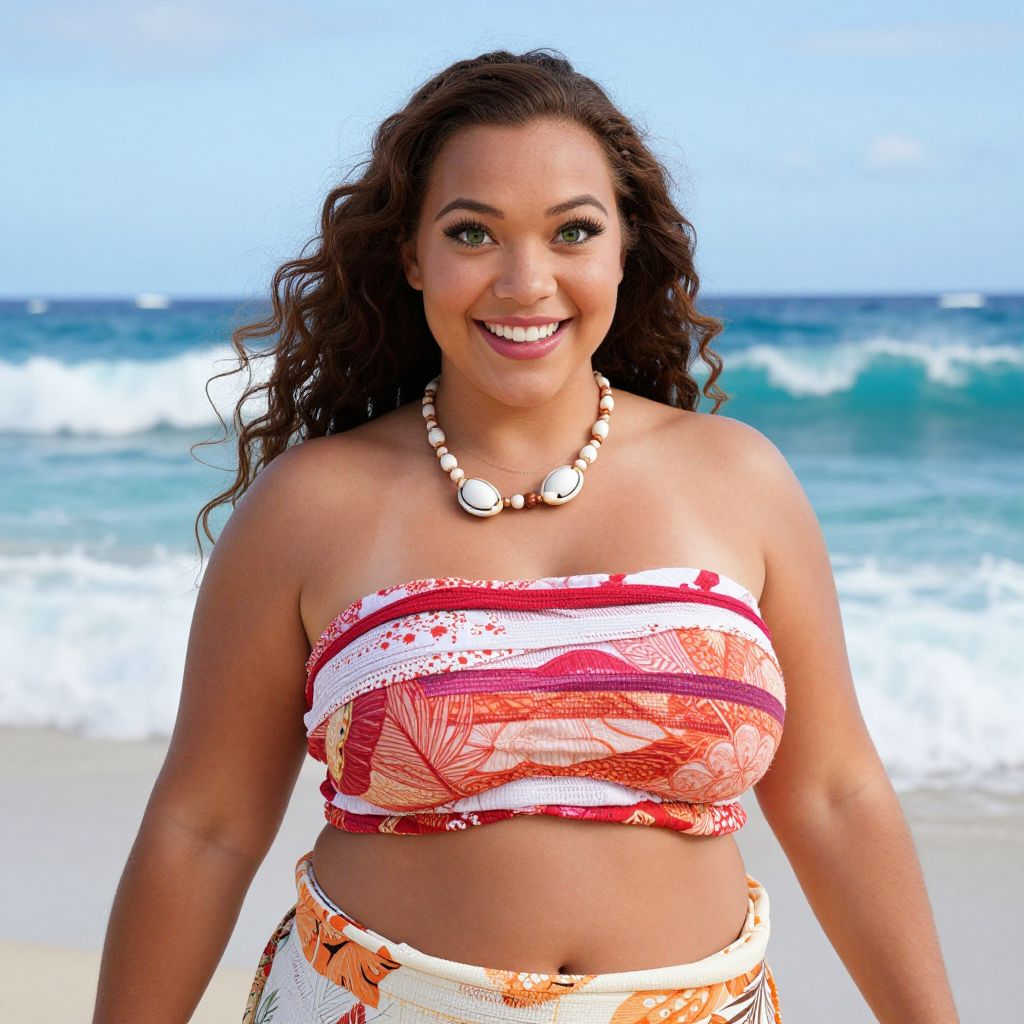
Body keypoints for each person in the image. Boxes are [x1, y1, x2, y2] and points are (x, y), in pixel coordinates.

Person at [92, 49, 959, 1024]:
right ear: (413, 255)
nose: (524, 279)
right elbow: (201, 827)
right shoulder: (309, 505)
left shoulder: (739, 478)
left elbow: (835, 796)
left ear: (622, 250)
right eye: (473, 233)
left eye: (571, 232)